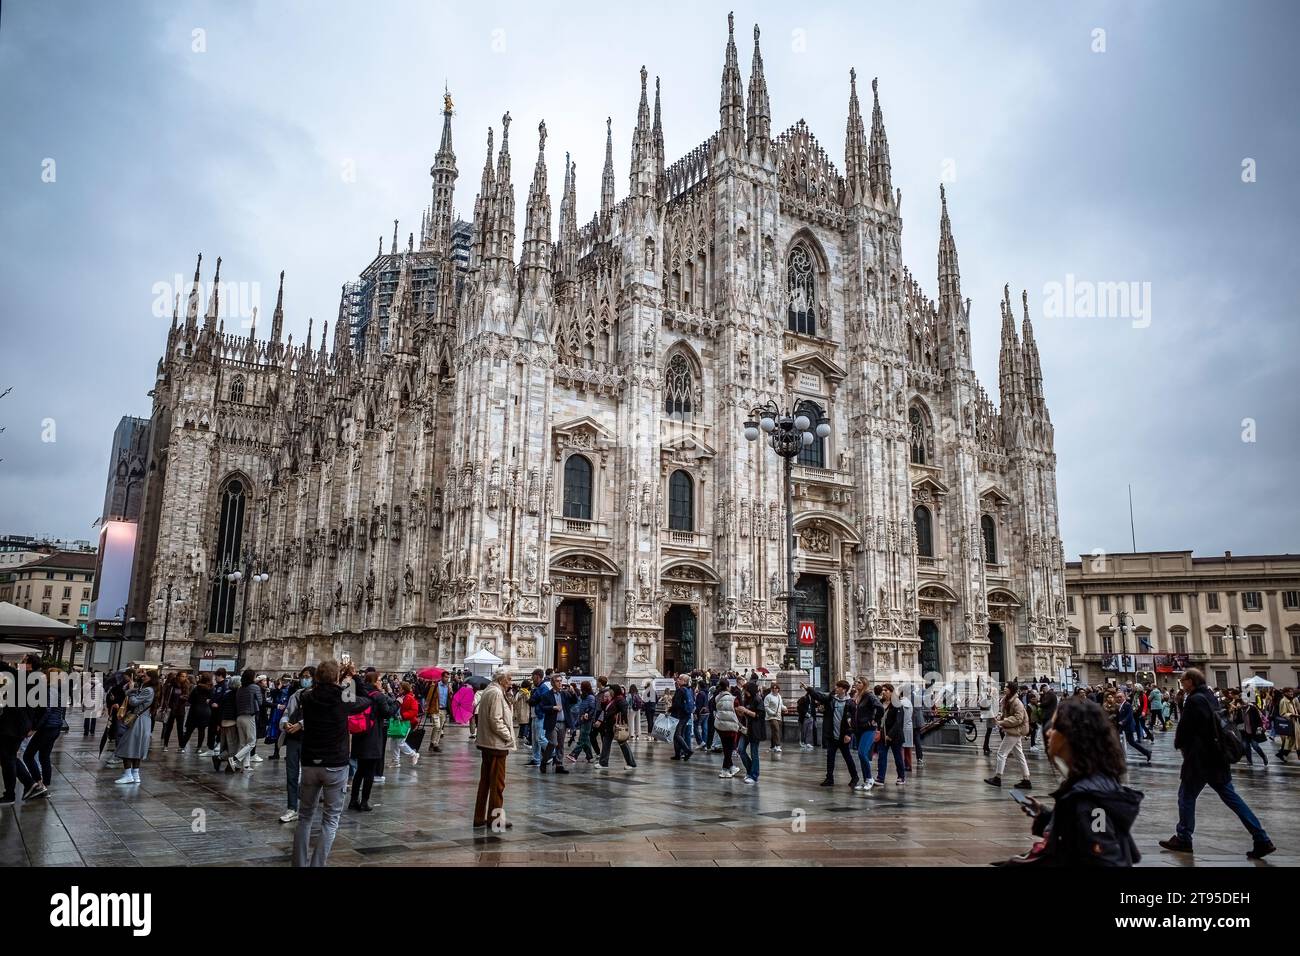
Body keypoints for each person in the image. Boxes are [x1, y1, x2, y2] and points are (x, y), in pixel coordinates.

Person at [996, 697, 1143, 866]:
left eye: (1057, 727)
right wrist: (1046, 816)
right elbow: (1080, 829)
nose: (1049, 732)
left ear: (1075, 735)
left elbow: (1104, 854)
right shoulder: (1088, 785)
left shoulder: (1091, 798)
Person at [1159, 668, 1275, 860]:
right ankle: (1261, 838)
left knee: (1186, 796)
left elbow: (1185, 728)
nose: (1182, 685)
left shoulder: (1195, 700)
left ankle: (1184, 838)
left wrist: (1179, 744)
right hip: (1218, 758)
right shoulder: (1210, 696)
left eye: (1183, 681)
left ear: (1191, 681)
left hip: (1200, 760)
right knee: (1233, 799)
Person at [291, 660, 371, 865]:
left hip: (309, 763)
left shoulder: (306, 697)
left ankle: (299, 864)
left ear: (316, 677)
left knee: (305, 817)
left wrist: (338, 680)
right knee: (330, 819)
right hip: (335, 764)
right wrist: (352, 677)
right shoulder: (342, 698)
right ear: (336, 678)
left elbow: (321, 690)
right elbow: (365, 700)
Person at [474, 667, 517, 830]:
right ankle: (496, 819)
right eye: (509, 679)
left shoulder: (490, 691)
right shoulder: (497, 693)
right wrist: (509, 736)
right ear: (501, 679)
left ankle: (479, 817)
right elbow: (496, 720)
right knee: (498, 784)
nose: (511, 682)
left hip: (487, 743)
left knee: (485, 781)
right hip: (496, 744)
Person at [349, 670, 392, 811]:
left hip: (359, 735)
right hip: (373, 737)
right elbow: (388, 712)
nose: (381, 682)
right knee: (369, 772)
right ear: (374, 682)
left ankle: (353, 800)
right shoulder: (379, 696)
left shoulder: (361, 692)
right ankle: (364, 802)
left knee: (360, 771)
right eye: (379, 680)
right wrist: (397, 701)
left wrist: (354, 675)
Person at [21, 665, 65, 797]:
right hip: (55, 727)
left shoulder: (49, 690)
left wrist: (34, 729)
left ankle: (39, 784)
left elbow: (46, 711)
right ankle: (45, 786)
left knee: (28, 756)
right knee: (44, 756)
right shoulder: (59, 691)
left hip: (47, 728)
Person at [277, 666, 314, 823]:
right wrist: (285, 724)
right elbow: (286, 714)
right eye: (303, 676)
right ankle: (292, 808)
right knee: (291, 774)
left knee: (308, 776)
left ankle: (306, 807)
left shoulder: (318, 696)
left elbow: (318, 717)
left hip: (310, 739)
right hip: (293, 738)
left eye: (308, 676)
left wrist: (300, 724)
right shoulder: (296, 695)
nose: (304, 679)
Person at [807, 680, 859, 789]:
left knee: (847, 757)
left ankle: (855, 777)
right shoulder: (832, 699)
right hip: (832, 735)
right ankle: (829, 778)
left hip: (843, 735)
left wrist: (849, 734)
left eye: (838, 687)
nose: (836, 688)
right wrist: (809, 689)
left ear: (844, 689)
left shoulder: (850, 703)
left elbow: (853, 721)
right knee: (830, 757)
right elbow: (820, 696)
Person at [984, 681, 1032, 790]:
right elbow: (1005, 713)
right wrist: (1000, 717)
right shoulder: (1007, 700)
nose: (1004, 688)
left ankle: (998, 778)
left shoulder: (1017, 702)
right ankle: (1026, 780)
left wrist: (1002, 722)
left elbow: (1018, 719)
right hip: (1013, 730)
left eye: (1006, 687)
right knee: (1019, 755)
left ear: (1011, 689)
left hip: (1015, 731)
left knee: (1001, 753)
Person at [114, 670, 157, 785]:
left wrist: (132, 691)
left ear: (151, 678)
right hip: (144, 720)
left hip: (139, 721)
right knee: (136, 748)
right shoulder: (147, 689)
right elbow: (126, 691)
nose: (143, 677)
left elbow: (133, 702)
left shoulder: (148, 690)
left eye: (146, 675)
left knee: (127, 746)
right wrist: (132, 688)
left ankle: (128, 775)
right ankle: (135, 774)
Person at [593, 683, 637, 771]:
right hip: (610, 726)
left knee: (623, 744)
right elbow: (606, 709)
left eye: (611, 690)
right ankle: (603, 762)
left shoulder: (620, 699)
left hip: (616, 726)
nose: (609, 691)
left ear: (615, 690)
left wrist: (622, 722)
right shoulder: (614, 699)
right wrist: (604, 702)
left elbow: (624, 710)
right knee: (606, 743)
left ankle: (631, 763)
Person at [852, 682, 883, 790]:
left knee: (862, 753)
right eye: (856, 682)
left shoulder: (869, 696)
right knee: (861, 755)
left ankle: (870, 778)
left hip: (869, 729)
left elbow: (880, 708)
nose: (856, 684)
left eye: (859, 682)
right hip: (859, 729)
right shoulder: (857, 696)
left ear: (865, 684)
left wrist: (874, 720)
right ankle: (866, 780)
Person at [875, 684, 907, 786]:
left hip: (895, 736)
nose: (883, 692)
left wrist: (890, 735)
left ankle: (901, 777)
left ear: (891, 692)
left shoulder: (897, 704)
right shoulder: (880, 703)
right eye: (882, 690)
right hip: (883, 735)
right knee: (882, 756)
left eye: (886, 690)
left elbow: (898, 722)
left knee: (898, 757)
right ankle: (880, 778)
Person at [734, 680, 765, 784]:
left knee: (754, 753)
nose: (744, 692)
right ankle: (750, 769)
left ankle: (754, 775)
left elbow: (759, 715)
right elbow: (746, 715)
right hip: (745, 729)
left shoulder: (758, 699)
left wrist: (746, 711)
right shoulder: (747, 699)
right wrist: (740, 712)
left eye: (746, 690)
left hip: (754, 730)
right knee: (741, 749)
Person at [712, 679, 742, 778]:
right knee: (729, 748)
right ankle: (724, 770)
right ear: (728, 687)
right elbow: (738, 712)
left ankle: (731, 766)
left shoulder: (717, 697)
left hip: (720, 725)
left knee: (726, 747)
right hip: (730, 726)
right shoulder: (733, 699)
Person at [387, 681, 421, 768]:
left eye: (401, 687)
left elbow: (414, 711)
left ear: (404, 688)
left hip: (405, 722)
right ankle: (396, 761)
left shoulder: (410, 697)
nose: (399, 689)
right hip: (398, 722)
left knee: (400, 743)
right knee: (394, 742)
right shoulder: (401, 696)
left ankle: (413, 754)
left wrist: (403, 716)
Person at [177, 673, 212, 755]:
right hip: (206, 711)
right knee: (202, 730)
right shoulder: (211, 689)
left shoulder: (197, 688)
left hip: (195, 710)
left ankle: (182, 747)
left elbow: (190, 700)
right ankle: (199, 748)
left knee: (189, 730)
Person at [1115, 690, 1152, 764]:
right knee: (1124, 741)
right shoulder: (1120, 705)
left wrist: (1123, 722)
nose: (1119, 698)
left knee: (1131, 742)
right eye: (1117, 697)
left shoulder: (1127, 704)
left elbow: (1129, 715)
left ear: (1124, 697)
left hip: (1128, 726)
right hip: (1123, 727)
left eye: (1120, 697)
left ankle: (1147, 752)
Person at [424, 671, 451, 753]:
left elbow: (449, 698)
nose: (447, 679)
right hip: (435, 709)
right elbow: (429, 697)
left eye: (448, 677)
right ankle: (433, 743)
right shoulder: (435, 686)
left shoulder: (448, 687)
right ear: (442, 677)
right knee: (437, 726)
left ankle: (435, 744)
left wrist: (451, 694)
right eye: (446, 677)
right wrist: (427, 707)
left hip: (444, 709)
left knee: (440, 728)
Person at [669, 673, 694, 760]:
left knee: (676, 735)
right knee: (680, 734)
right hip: (686, 715)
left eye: (679, 679)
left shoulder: (680, 690)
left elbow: (677, 704)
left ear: (684, 681)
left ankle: (687, 750)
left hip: (679, 715)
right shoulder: (689, 689)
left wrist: (670, 710)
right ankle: (677, 754)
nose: (677, 680)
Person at [1276, 687, 1297, 762]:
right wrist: (1292, 715)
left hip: (1295, 722)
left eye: (1292, 691)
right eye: (1289, 692)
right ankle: (1282, 753)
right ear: (1285, 693)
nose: (1291, 693)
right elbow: (1282, 713)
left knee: (1292, 740)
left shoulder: (1293, 700)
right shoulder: (1283, 701)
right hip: (1290, 723)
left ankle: (1281, 753)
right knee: (1290, 740)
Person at [764, 682, 784, 754]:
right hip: (771, 717)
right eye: (773, 688)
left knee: (774, 731)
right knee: (776, 729)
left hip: (778, 716)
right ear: (771, 689)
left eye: (776, 688)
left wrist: (785, 708)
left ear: (778, 689)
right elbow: (766, 707)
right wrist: (772, 713)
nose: (775, 689)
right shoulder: (768, 697)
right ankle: (778, 746)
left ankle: (772, 746)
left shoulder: (779, 696)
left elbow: (781, 705)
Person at [797, 686, 818, 751]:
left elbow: (814, 706)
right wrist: (805, 713)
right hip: (804, 717)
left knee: (809, 730)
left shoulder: (812, 699)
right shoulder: (804, 698)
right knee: (803, 730)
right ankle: (802, 742)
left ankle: (808, 742)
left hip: (811, 717)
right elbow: (799, 707)